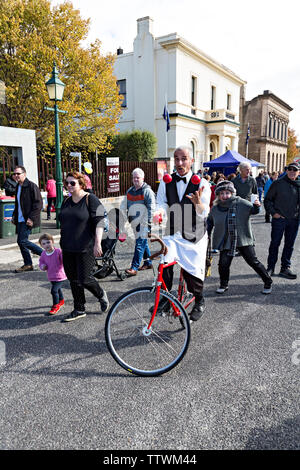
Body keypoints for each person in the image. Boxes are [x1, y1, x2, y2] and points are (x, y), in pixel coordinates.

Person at [154, 146, 211, 322]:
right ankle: (165, 298)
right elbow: (162, 202)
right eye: (176, 159)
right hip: (172, 231)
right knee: (165, 265)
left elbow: (205, 212)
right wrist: (160, 212)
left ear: (191, 161)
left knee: (191, 271)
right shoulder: (166, 181)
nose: (180, 163)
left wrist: (198, 204)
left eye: (184, 158)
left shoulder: (202, 183)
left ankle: (199, 300)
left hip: (194, 234)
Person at [59, 171, 108, 322]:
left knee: (85, 278)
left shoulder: (90, 199)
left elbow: (99, 221)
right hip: (67, 247)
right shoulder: (66, 201)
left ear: (81, 184)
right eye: (67, 182)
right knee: (73, 279)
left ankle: (100, 294)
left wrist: (98, 243)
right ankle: (79, 308)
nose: (68, 185)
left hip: (85, 246)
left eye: (72, 183)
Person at [207, 180, 272, 295]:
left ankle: (268, 281)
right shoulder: (215, 208)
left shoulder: (240, 202)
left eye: (227, 193)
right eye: (221, 193)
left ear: (232, 193)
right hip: (226, 240)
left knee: (253, 261)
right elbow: (210, 223)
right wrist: (205, 235)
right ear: (218, 195)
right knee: (223, 263)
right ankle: (224, 284)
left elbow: (254, 210)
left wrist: (257, 205)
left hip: (243, 239)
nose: (224, 196)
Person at [264, 162, 300, 279]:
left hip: (294, 220)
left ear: (298, 172)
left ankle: (285, 268)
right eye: (290, 169)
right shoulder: (278, 183)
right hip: (280, 220)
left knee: (289, 245)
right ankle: (270, 267)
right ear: (286, 170)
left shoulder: (298, 184)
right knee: (275, 243)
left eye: (295, 170)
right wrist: (274, 213)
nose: (292, 172)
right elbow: (268, 200)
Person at [121, 168, 156, 276]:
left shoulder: (147, 191)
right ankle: (148, 262)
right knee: (142, 243)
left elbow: (151, 208)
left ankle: (134, 267)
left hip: (144, 223)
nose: (135, 179)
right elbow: (124, 204)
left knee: (139, 244)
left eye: (138, 177)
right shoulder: (130, 191)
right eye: (134, 177)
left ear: (143, 178)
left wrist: (148, 223)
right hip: (134, 223)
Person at [12, 166, 43, 272]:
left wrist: (31, 218)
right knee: (21, 242)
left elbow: (38, 204)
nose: (16, 176)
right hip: (20, 219)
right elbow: (17, 204)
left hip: (28, 219)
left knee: (22, 241)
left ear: (24, 174)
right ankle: (28, 264)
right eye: (14, 174)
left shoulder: (31, 186)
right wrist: (14, 216)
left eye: (18, 174)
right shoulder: (18, 187)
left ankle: (45, 254)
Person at [39, 233, 67, 315]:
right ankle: (61, 300)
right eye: (43, 243)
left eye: (48, 242)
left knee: (54, 290)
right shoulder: (43, 254)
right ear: (41, 245)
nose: (46, 245)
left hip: (60, 276)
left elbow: (63, 260)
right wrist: (42, 266)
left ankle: (56, 305)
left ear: (52, 242)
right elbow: (41, 262)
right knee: (58, 289)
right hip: (51, 276)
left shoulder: (58, 251)